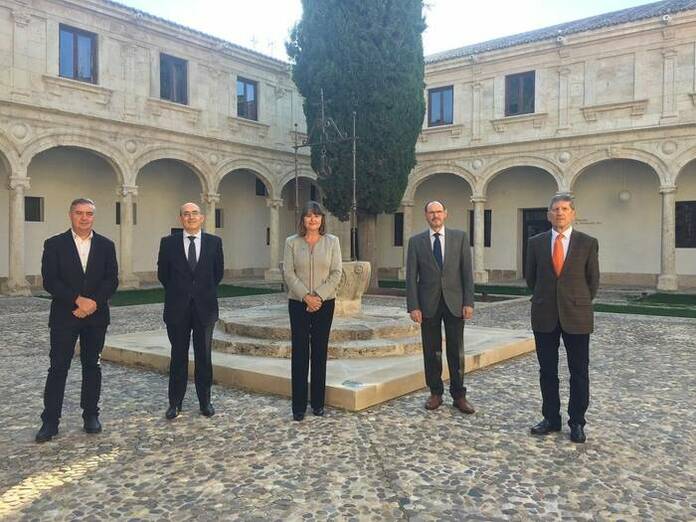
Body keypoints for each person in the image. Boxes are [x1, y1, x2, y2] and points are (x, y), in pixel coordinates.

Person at [35, 198, 119, 443]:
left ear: (93, 216)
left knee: (92, 365)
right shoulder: (54, 244)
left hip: (96, 316)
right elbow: (50, 280)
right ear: (70, 215)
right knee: (58, 368)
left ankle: (91, 415)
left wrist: (92, 303)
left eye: (89, 213)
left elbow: (111, 279)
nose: (84, 218)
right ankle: (50, 421)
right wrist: (77, 300)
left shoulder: (106, 245)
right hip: (64, 315)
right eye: (79, 213)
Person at [525, 193, 599, 443]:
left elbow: (592, 281)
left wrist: (575, 300)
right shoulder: (536, 243)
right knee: (547, 370)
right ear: (549, 215)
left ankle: (577, 421)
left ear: (572, 214)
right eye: (555, 209)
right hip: (544, 314)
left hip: (576, 316)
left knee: (579, 371)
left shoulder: (587, 243)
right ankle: (550, 418)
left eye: (565, 209)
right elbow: (531, 279)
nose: (559, 213)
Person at [406, 200, 476, 414]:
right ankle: (435, 392)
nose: (435, 215)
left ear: (445, 214)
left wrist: (469, 302)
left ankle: (459, 395)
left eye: (438, 212)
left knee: (456, 351)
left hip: (455, 302)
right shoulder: (416, 242)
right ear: (426, 216)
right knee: (431, 351)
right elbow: (411, 277)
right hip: (428, 304)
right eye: (431, 212)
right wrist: (413, 306)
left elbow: (467, 272)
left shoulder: (460, 238)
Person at [157, 202, 224, 420]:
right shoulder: (168, 243)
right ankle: (175, 403)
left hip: (205, 308)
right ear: (181, 219)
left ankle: (205, 402)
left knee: (204, 357)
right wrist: (182, 292)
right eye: (186, 214)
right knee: (178, 356)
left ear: (202, 218)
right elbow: (163, 275)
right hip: (177, 309)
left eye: (195, 213)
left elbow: (217, 274)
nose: (191, 217)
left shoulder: (214, 242)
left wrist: (199, 292)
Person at [283, 201, 342, 421]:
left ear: (322, 219)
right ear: (303, 219)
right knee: (299, 352)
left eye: (317, 216)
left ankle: (318, 403)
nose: (313, 219)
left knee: (319, 351)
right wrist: (306, 297)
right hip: (298, 303)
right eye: (308, 216)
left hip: (324, 303)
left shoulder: (332, 242)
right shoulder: (291, 242)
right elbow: (288, 273)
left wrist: (318, 296)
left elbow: (337, 272)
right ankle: (298, 406)